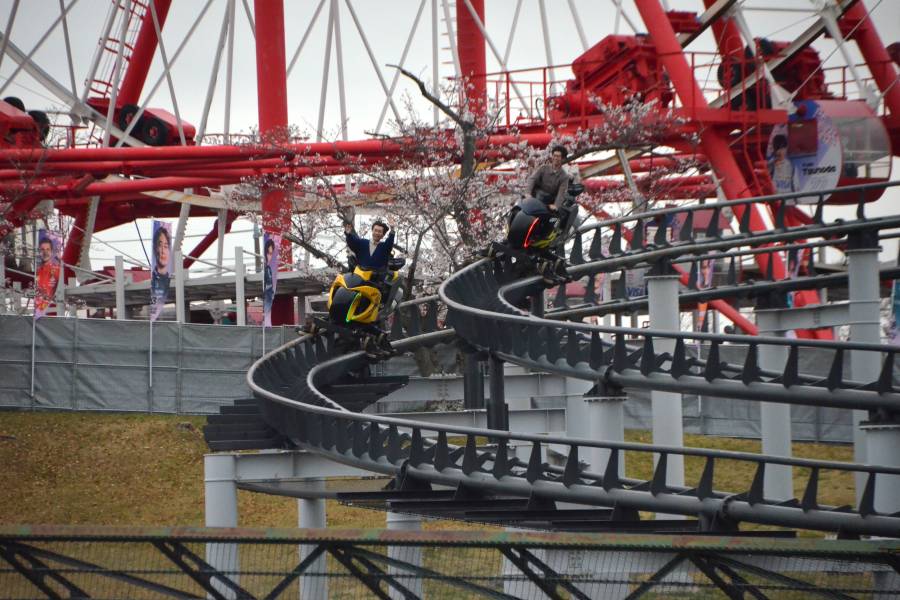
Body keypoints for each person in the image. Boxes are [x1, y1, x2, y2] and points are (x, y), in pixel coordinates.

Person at [526, 145, 571, 210]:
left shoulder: (564, 176)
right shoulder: (543, 168)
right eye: (554, 155)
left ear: (563, 158)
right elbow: (532, 179)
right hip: (536, 197)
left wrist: (556, 205)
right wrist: (528, 193)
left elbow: (561, 193)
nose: (555, 158)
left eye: (558, 156)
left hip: (549, 202)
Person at [34, 236, 60, 313]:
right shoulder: (37, 271)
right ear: (39, 252)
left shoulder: (58, 269)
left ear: (51, 251)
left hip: (51, 312)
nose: (45, 252)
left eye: (48, 249)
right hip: (37, 311)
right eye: (42, 249)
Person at [150, 225, 171, 314]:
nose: (162, 251)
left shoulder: (171, 279)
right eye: (160, 245)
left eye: (166, 246)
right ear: (155, 249)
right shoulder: (153, 280)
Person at [263, 238, 275, 312]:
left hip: (269, 297)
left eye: (270, 254)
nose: (269, 256)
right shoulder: (266, 269)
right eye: (268, 253)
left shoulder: (269, 269)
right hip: (267, 297)